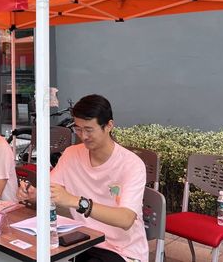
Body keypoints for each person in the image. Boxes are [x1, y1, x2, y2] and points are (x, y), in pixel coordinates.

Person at [17, 94, 148, 262]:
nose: (83, 136)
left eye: (89, 130)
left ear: (109, 126)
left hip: (123, 252)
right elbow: (51, 191)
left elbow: (126, 219)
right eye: (78, 129)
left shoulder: (131, 164)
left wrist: (77, 202)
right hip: (83, 241)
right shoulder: (72, 154)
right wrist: (34, 195)